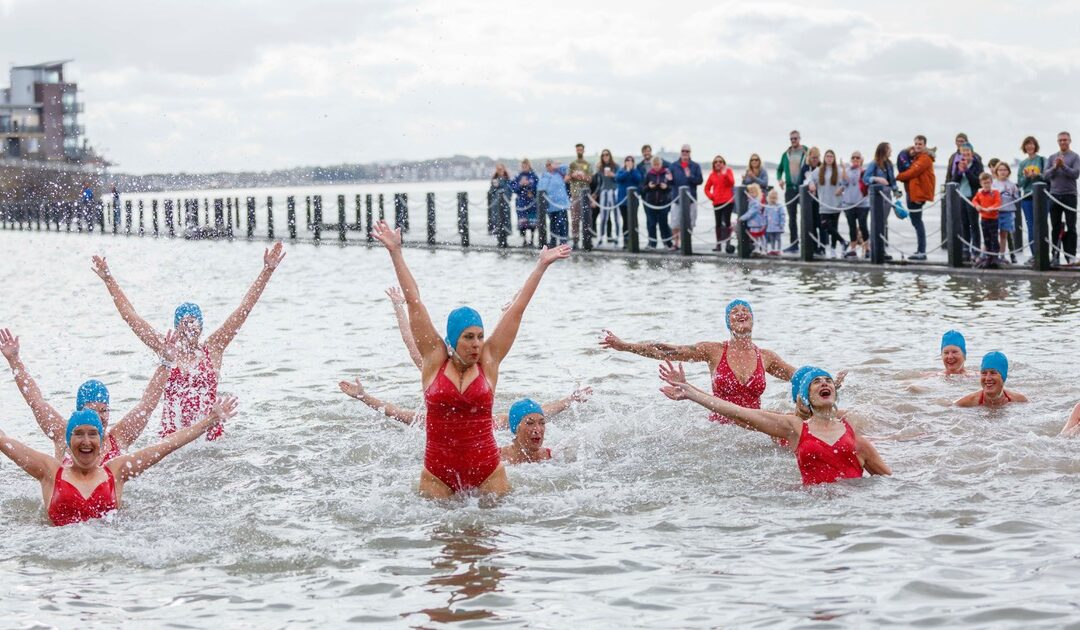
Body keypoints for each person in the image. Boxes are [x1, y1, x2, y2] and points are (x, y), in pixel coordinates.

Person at [372, 219, 570, 498]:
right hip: (437, 473)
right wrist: (396, 252)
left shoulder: (488, 361)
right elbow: (414, 301)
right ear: (453, 340)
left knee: (494, 538)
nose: (477, 344)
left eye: (480, 336)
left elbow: (518, 310)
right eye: (468, 337)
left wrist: (540, 266)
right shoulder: (434, 360)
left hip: (487, 470)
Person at [90, 244, 285, 441]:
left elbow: (244, 308)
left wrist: (267, 271)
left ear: (201, 326)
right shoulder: (166, 349)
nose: (191, 326)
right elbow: (131, 317)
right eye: (185, 322)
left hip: (209, 439)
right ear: (177, 327)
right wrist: (108, 279)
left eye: (195, 321)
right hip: (171, 440)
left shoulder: (214, 348)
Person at [0, 397, 237, 526]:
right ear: (68, 440)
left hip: (111, 560)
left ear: (100, 439)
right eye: (78, 433)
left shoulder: (116, 471)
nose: (86, 440)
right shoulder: (50, 471)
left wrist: (210, 421)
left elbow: (167, 445)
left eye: (92, 433)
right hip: (62, 566)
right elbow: (4, 441)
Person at [658, 362, 891, 485]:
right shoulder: (795, 427)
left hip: (854, 510)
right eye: (816, 382)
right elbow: (739, 412)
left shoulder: (857, 440)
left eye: (827, 381)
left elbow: (890, 485)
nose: (824, 383)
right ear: (804, 397)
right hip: (811, 510)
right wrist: (690, 392)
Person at [600, 299, 796, 424]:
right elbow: (669, 350)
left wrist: (823, 382)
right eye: (734, 311)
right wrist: (625, 346)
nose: (741, 313)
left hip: (753, 426)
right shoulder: (714, 350)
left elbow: (799, 377)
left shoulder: (767, 357)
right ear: (728, 322)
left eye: (745, 310)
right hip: (720, 428)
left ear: (752, 319)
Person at [0, 328, 179, 464]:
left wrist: (166, 363)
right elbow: (36, 402)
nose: (99, 417)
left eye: (104, 410)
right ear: (79, 412)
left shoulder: (119, 437)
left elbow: (146, 405)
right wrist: (14, 361)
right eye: (92, 411)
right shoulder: (63, 434)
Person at [338, 375, 590, 452]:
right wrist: (364, 397)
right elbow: (402, 415)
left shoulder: (494, 421)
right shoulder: (448, 423)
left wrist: (571, 399)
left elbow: (541, 411)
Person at [896, 135, 937, 261]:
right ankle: (920, 250)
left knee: (918, 222)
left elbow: (912, 172)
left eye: (920, 144)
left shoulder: (924, 158)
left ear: (925, 145)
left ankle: (922, 252)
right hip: (913, 193)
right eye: (916, 143)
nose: (918, 145)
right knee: (915, 222)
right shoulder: (916, 157)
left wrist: (897, 177)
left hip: (918, 194)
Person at [1043, 131, 1080, 265]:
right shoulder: (1052, 157)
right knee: (1055, 226)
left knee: (1071, 227)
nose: (1063, 142)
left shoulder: (1075, 157)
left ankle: (1070, 256)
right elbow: (1045, 175)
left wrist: (1063, 166)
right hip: (1054, 196)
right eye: (1060, 140)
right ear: (1057, 142)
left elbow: (1075, 174)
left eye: (1065, 140)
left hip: (1070, 195)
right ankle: (1055, 255)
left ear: (1070, 141)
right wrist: (1055, 167)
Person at [864, 142, 900, 260]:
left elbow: (892, 181)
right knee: (876, 223)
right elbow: (865, 178)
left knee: (883, 223)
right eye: (889, 149)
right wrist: (877, 179)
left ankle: (881, 249)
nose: (891, 151)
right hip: (877, 197)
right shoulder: (874, 164)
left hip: (887, 196)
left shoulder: (889, 164)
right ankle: (874, 249)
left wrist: (896, 192)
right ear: (883, 150)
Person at [807, 149, 846, 258]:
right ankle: (843, 242)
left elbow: (845, 183)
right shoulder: (819, 170)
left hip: (836, 203)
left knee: (834, 227)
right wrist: (811, 184)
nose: (829, 158)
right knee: (824, 224)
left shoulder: (838, 171)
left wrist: (842, 188)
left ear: (834, 159)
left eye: (831, 157)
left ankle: (833, 250)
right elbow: (809, 178)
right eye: (827, 156)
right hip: (824, 204)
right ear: (824, 158)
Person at [949, 143, 984, 259]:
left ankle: (976, 249)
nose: (965, 154)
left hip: (973, 197)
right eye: (963, 152)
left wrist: (967, 171)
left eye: (967, 152)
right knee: (964, 224)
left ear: (972, 153)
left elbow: (977, 182)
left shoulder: (977, 164)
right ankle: (965, 249)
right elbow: (954, 181)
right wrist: (959, 172)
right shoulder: (958, 164)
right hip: (961, 197)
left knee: (974, 223)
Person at [955, 352, 1028, 407]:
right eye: (984, 373)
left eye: (993, 373)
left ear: (1003, 377)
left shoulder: (1019, 401)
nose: (987, 378)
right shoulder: (967, 402)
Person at [777, 130, 809, 251]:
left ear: (800, 138)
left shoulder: (806, 151)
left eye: (795, 138)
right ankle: (794, 244)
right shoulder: (786, 154)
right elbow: (779, 169)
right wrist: (779, 179)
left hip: (803, 189)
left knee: (806, 217)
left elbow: (814, 164)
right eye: (791, 139)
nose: (793, 141)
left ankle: (807, 243)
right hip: (790, 189)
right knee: (792, 218)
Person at [668, 145, 704, 248]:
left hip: (691, 199)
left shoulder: (695, 166)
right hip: (676, 199)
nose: (685, 153)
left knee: (690, 223)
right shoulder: (673, 165)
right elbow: (669, 182)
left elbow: (700, 181)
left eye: (687, 151)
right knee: (675, 223)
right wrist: (669, 179)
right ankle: (676, 243)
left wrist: (690, 176)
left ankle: (686, 243)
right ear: (680, 152)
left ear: (690, 152)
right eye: (683, 151)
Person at [1018, 137, 1045, 260]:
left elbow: (1047, 178)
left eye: (1032, 144)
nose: (1029, 146)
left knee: (1041, 225)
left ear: (1035, 146)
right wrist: (1028, 177)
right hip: (1027, 197)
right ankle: (1034, 255)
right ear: (1024, 147)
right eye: (1027, 144)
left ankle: (1044, 254)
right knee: (1030, 226)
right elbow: (1020, 183)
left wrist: (1037, 175)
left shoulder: (1042, 160)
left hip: (1041, 197)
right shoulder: (1022, 163)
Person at [840, 151, 869, 258]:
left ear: (861, 159)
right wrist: (843, 169)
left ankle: (867, 248)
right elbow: (844, 182)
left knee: (863, 225)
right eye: (853, 158)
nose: (855, 159)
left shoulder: (864, 171)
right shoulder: (847, 170)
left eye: (858, 158)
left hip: (863, 204)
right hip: (849, 204)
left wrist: (859, 167)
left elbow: (864, 181)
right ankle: (853, 249)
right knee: (851, 226)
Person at [704, 155, 736, 252]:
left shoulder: (728, 171)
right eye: (716, 162)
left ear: (723, 163)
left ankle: (728, 244)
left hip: (728, 202)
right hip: (717, 202)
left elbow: (732, 183)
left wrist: (725, 174)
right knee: (718, 223)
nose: (718, 163)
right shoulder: (712, 175)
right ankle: (718, 245)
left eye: (720, 161)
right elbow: (706, 188)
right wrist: (711, 196)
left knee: (727, 222)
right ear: (714, 164)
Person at [642, 156, 675, 250]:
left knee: (663, 223)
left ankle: (668, 243)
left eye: (658, 164)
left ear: (661, 164)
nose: (656, 166)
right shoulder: (649, 174)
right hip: (651, 203)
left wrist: (666, 187)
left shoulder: (667, 173)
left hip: (664, 203)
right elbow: (643, 189)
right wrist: (649, 186)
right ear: (652, 165)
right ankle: (652, 244)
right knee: (651, 224)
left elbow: (672, 187)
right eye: (654, 165)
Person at [972, 172, 1002, 267]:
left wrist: (992, 207)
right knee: (986, 238)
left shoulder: (995, 192)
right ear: (981, 183)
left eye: (988, 182)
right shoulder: (980, 192)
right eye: (984, 183)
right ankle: (989, 257)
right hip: (984, 219)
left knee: (994, 238)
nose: (987, 185)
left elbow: (998, 202)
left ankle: (995, 257)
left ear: (991, 182)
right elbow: (974, 200)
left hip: (993, 219)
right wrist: (977, 206)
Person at [993, 162, 1021, 264]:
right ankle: (992, 254)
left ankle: (1002, 255)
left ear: (1008, 171)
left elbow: (1017, 198)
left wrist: (1014, 193)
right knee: (994, 234)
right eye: (1000, 170)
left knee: (1004, 234)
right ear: (996, 171)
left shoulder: (1012, 184)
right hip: (995, 212)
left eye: (1005, 170)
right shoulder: (993, 184)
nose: (1002, 172)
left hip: (1008, 212)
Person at [508, 159, 540, 247]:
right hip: (521, 203)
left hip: (532, 203)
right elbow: (512, 187)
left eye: (525, 166)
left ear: (529, 166)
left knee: (532, 223)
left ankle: (532, 240)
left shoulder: (533, 176)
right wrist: (520, 184)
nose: (524, 167)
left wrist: (530, 185)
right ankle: (524, 240)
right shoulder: (518, 176)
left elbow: (538, 187)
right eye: (522, 166)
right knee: (523, 223)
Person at [538, 160, 570, 246]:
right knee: (553, 224)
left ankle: (563, 241)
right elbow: (540, 189)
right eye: (547, 165)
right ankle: (553, 241)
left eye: (550, 164)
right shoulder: (544, 176)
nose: (549, 166)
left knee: (562, 223)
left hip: (562, 204)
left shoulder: (559, 173)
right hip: (551, 205)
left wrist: (557, 166)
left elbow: (566, 167)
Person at [798, 147, 824, 254]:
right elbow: (804, 180)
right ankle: (813, 247)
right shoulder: (805, 168)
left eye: (816, 158)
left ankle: (822, 247)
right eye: (813, 157)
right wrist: (810, 183)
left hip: (821, 200)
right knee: (812, 224)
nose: (815, 160)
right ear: (809, 157)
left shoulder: (821, 167)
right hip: (809, 201)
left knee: (822, 225)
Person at [615, 156, 644, 249]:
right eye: (627, 160)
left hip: (633, 201)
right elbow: (618, 179)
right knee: (625, 221)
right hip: (623, 201)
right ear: (625, 162)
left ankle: (634, 241)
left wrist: (631, 170)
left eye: (631, 160)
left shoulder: (635, 171)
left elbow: (638, 179)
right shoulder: (621, 171)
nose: (629, 162)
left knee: (634, 221)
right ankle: (626, 241)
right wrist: (627, 171)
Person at [567, 143, 593, 249]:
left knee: (587, 219)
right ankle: (575, 241)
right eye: (577, 150)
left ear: (584, 150)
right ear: (576, 151)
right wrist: (574, 175)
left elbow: (590, 179)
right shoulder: (572, 164)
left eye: (581, 150)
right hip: (575, 194)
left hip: (586, 195)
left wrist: (582, 176)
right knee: (575, 219)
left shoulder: (587, 164)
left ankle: (586, 241)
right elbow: (568, 178)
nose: (579, 151)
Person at [593, 149, 620, 247]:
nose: (605, 156)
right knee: (603, 217)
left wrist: (613, 175)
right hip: (604, 193)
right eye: (603, 155)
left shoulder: (616, 166)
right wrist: (595, 194)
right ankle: (600, 238)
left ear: (610, 155)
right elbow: (600, 183)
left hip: (613, 192)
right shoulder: (600, 168)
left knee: (616, 216)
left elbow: (619, 179)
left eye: (607, 154)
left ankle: (617, 238)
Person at [739, 184, 767, 253]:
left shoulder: (756, 201)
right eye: (750, 192)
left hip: (758, 222)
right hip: (753, 222)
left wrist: (742, 218)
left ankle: (764, 249)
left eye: (753, 192)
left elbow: (752, 212)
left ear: (757, 192)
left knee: (761, 236)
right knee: (755, 237)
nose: (751, 194)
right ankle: (757, 248)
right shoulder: (751, 200)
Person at [488, 163, 513, 240]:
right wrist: (495, 187)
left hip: (505, 204)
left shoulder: (507, 180)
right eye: (498, 169)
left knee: (505, 220)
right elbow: (491, 192)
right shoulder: (494, 180)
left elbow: (510, 191)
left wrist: (505, 196)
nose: (500, 171)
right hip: (496, 205)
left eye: (501, 169)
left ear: (504, 169)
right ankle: (499, 238)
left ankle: (504, 238)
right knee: (496, 220)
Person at [764, 189, 785, 255]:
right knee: (771, 238)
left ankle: (779, 249)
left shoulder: (779, 206)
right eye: (771, 198)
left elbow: (782, 215)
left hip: (778, 226)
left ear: (777, 198)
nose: (772, 199)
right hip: (770, 226)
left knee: (778, 238)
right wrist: (764, 224)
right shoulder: (767, 206)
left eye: (774, 198)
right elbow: (765, 215)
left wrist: (782, 223)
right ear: (768, 198)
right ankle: (773, 249)